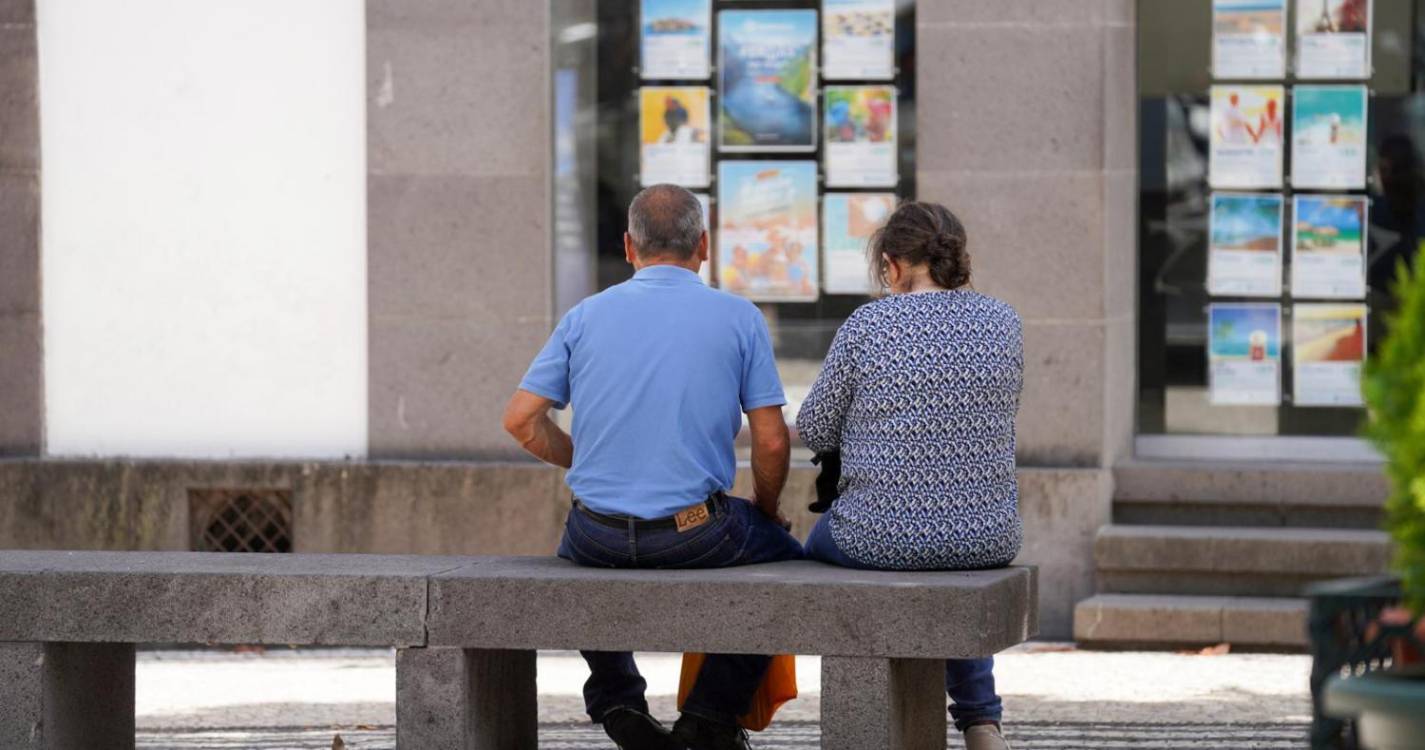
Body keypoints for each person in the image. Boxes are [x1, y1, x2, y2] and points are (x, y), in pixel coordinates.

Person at [503, 184, 803, 750]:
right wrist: (766, 512)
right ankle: (710, 716)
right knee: (792, 566)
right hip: (698, 534)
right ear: (705, 246)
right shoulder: (738, 317)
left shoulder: (584, 316)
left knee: (578, 552)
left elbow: (520, 420)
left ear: (628, 246)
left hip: (596, 533)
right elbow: (770, 442)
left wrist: (582, 458)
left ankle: (618, 701)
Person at [795, 201, 1024, 750]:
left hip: (873, 535)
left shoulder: (869, 325)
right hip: (986, 536)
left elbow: (813, 427)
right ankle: (980, 721)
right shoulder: (1004, 321)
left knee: (806, 551)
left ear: (893, 266)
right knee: (948, 550)